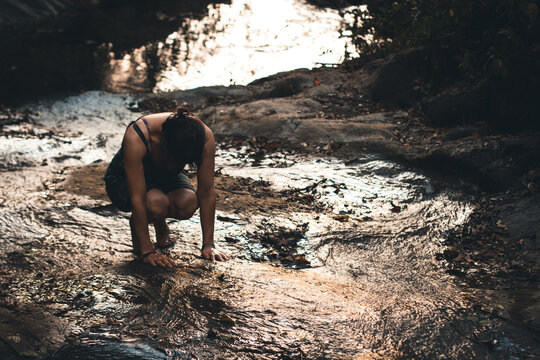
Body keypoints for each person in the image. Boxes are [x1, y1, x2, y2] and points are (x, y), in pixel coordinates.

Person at [104, 108, 229, 267]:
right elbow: (138, 198)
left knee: (187, 203)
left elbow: (207, 193)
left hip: (165, 176)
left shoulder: (203, 136)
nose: (176, 164)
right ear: (163, 143)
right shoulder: (137, 135)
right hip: (122, 178)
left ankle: (159, 222)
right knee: (156, 203)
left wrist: (209, 245)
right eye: (173, 159)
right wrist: (148, 252)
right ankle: (140, 224)